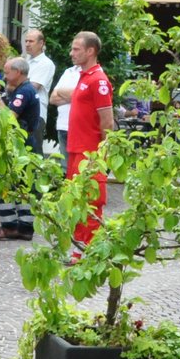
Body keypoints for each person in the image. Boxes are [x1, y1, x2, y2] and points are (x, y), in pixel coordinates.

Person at [61, 31, 116, 248]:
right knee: (76, 201)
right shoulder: (85, 77)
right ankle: (79, 249)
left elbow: (107, 123)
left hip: (90, 153)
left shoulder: (99, 81)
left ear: (90, 51)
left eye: (76, 49)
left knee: (91, 203)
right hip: (77, 150)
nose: (71, 53)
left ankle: (91, 249)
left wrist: (101, 155)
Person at [0, 56, 42, 241]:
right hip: (24, 143)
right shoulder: (22, 89)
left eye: (7, 71)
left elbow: (10, 118)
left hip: (20, 144)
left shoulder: (23, 92)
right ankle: (24, 227)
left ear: (18, 72)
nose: (4, 75)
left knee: (6, 184)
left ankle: (11, 226)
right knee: (22, 186)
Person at [22, 27, 54, 94]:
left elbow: (33, 87)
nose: (27, 44)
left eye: (31, 41)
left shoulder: (46, 63)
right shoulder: (26, 61)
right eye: (26, 41)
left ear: (41, 43)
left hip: (36, 103)